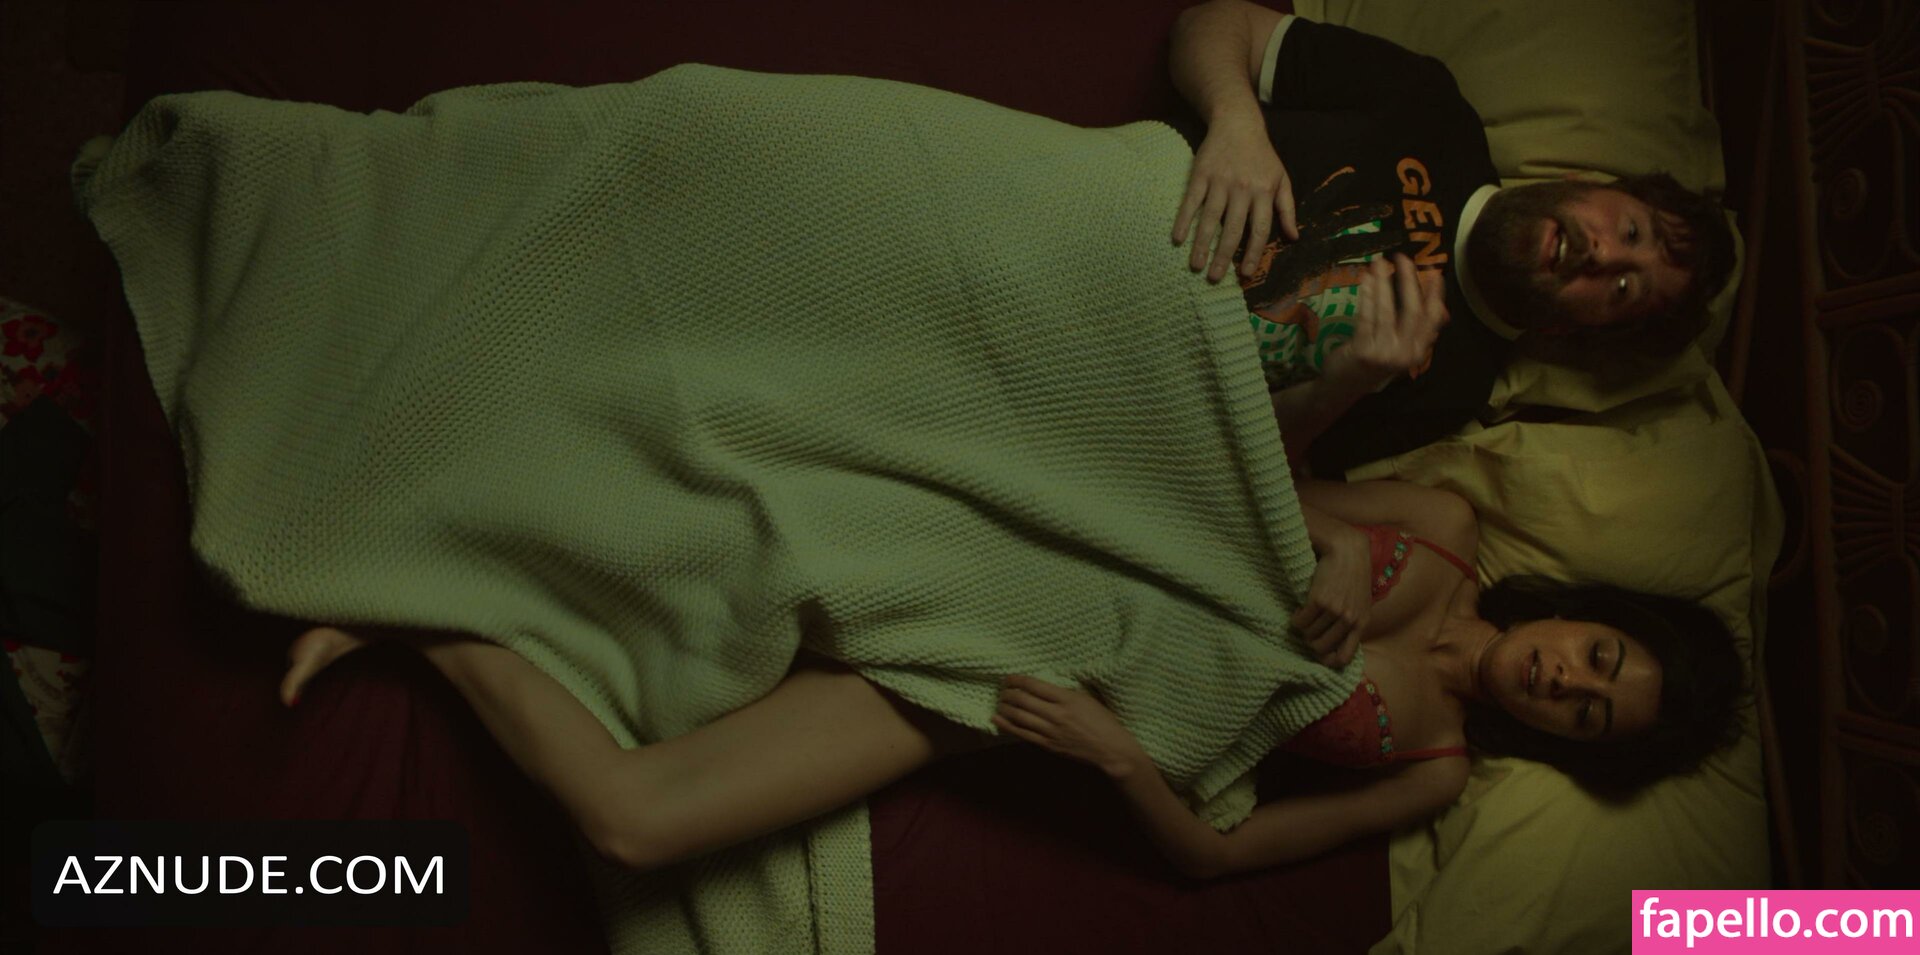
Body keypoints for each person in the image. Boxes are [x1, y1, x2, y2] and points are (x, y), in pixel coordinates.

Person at [279, 478, 1745, 875]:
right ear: (1594, 612)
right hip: (1036, 557)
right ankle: (440, 541)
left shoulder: (1429, 775)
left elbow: (1215, 858)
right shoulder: (1444, 525)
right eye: (1600, 655)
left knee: (635, 823)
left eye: (1587, 711)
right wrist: (1329, 539)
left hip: (1008, 699)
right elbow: (1233, 459)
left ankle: (422, 616)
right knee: (722, 545)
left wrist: (1114, 755)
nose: (1565, 679)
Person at [1166, 0, 1737, 475]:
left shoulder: (1453, 390)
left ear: (1571, 329)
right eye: (1631, 231)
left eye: (1623, 288)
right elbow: (1211, 24)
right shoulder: (1429, 106)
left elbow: (1242, 474)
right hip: (1148, 195)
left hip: (1157, 377)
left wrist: (1340, 386)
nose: (1604, 253)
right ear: (1582, 181)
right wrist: (1236, 123)